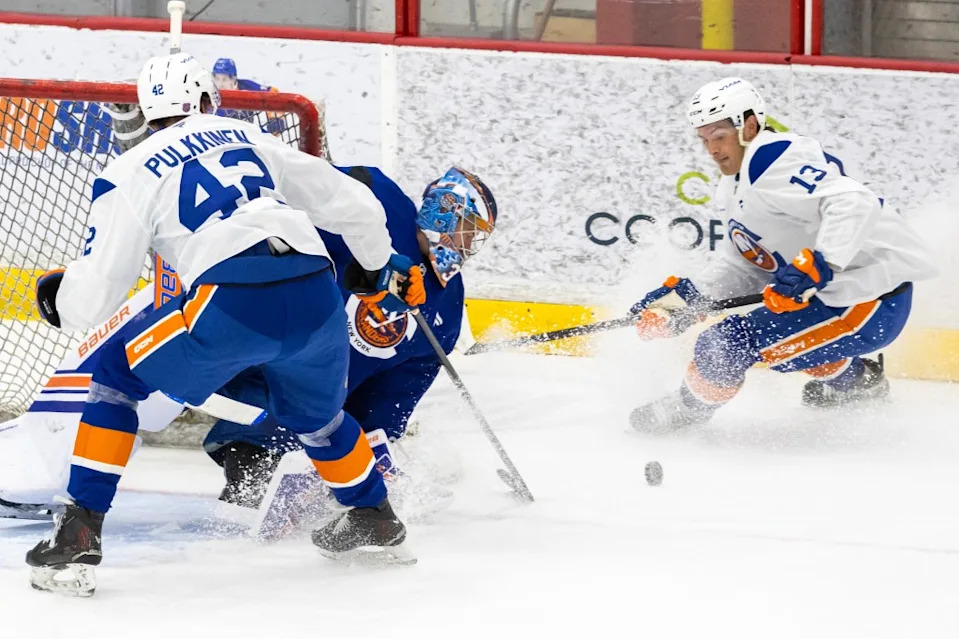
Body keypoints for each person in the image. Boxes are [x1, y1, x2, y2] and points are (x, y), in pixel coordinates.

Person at [24, 52, 425, 597]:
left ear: (146, 113)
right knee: (321, 420)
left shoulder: (127, 171)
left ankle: (78, 532)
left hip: (229, 300)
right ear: (209, 102)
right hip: (315, 291)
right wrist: (375, 270)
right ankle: (375, 517)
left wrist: (57, 300)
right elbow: (356, 203)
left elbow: (97, 296)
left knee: (117, 375)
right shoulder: (246, 135)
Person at [628, 77, 936, 433]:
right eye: (704, 139)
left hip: (869, 300)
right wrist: (691, 298)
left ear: (750, 125)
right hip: (836, 298)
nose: (712, 149)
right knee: (790, 339)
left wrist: (822, 262)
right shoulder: (733, 184)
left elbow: (854, 201)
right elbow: (744, 263)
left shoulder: (772, 160)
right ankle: (859, 385)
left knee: (726, 343)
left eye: (719, 136)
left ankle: (687, 410)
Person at [204, 166, 496, 517]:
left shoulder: (447, 303)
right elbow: (296, 189)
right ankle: (244, 500)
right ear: (444, 210)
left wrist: (374, 440)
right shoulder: (375, 199)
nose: (467, 244)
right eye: (467, 228)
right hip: (261, 350)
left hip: (320, 405)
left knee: (324, 457)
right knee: (254, 464)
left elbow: (397, 389)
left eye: (475, 236)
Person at [211, 57, 285, 135]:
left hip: (246, 137)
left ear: (233, 78)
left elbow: (273, 93)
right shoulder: (208, 91)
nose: (220, 84)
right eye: (217, 78)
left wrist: (275, 118)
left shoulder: (246, 86)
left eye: (224, 79)